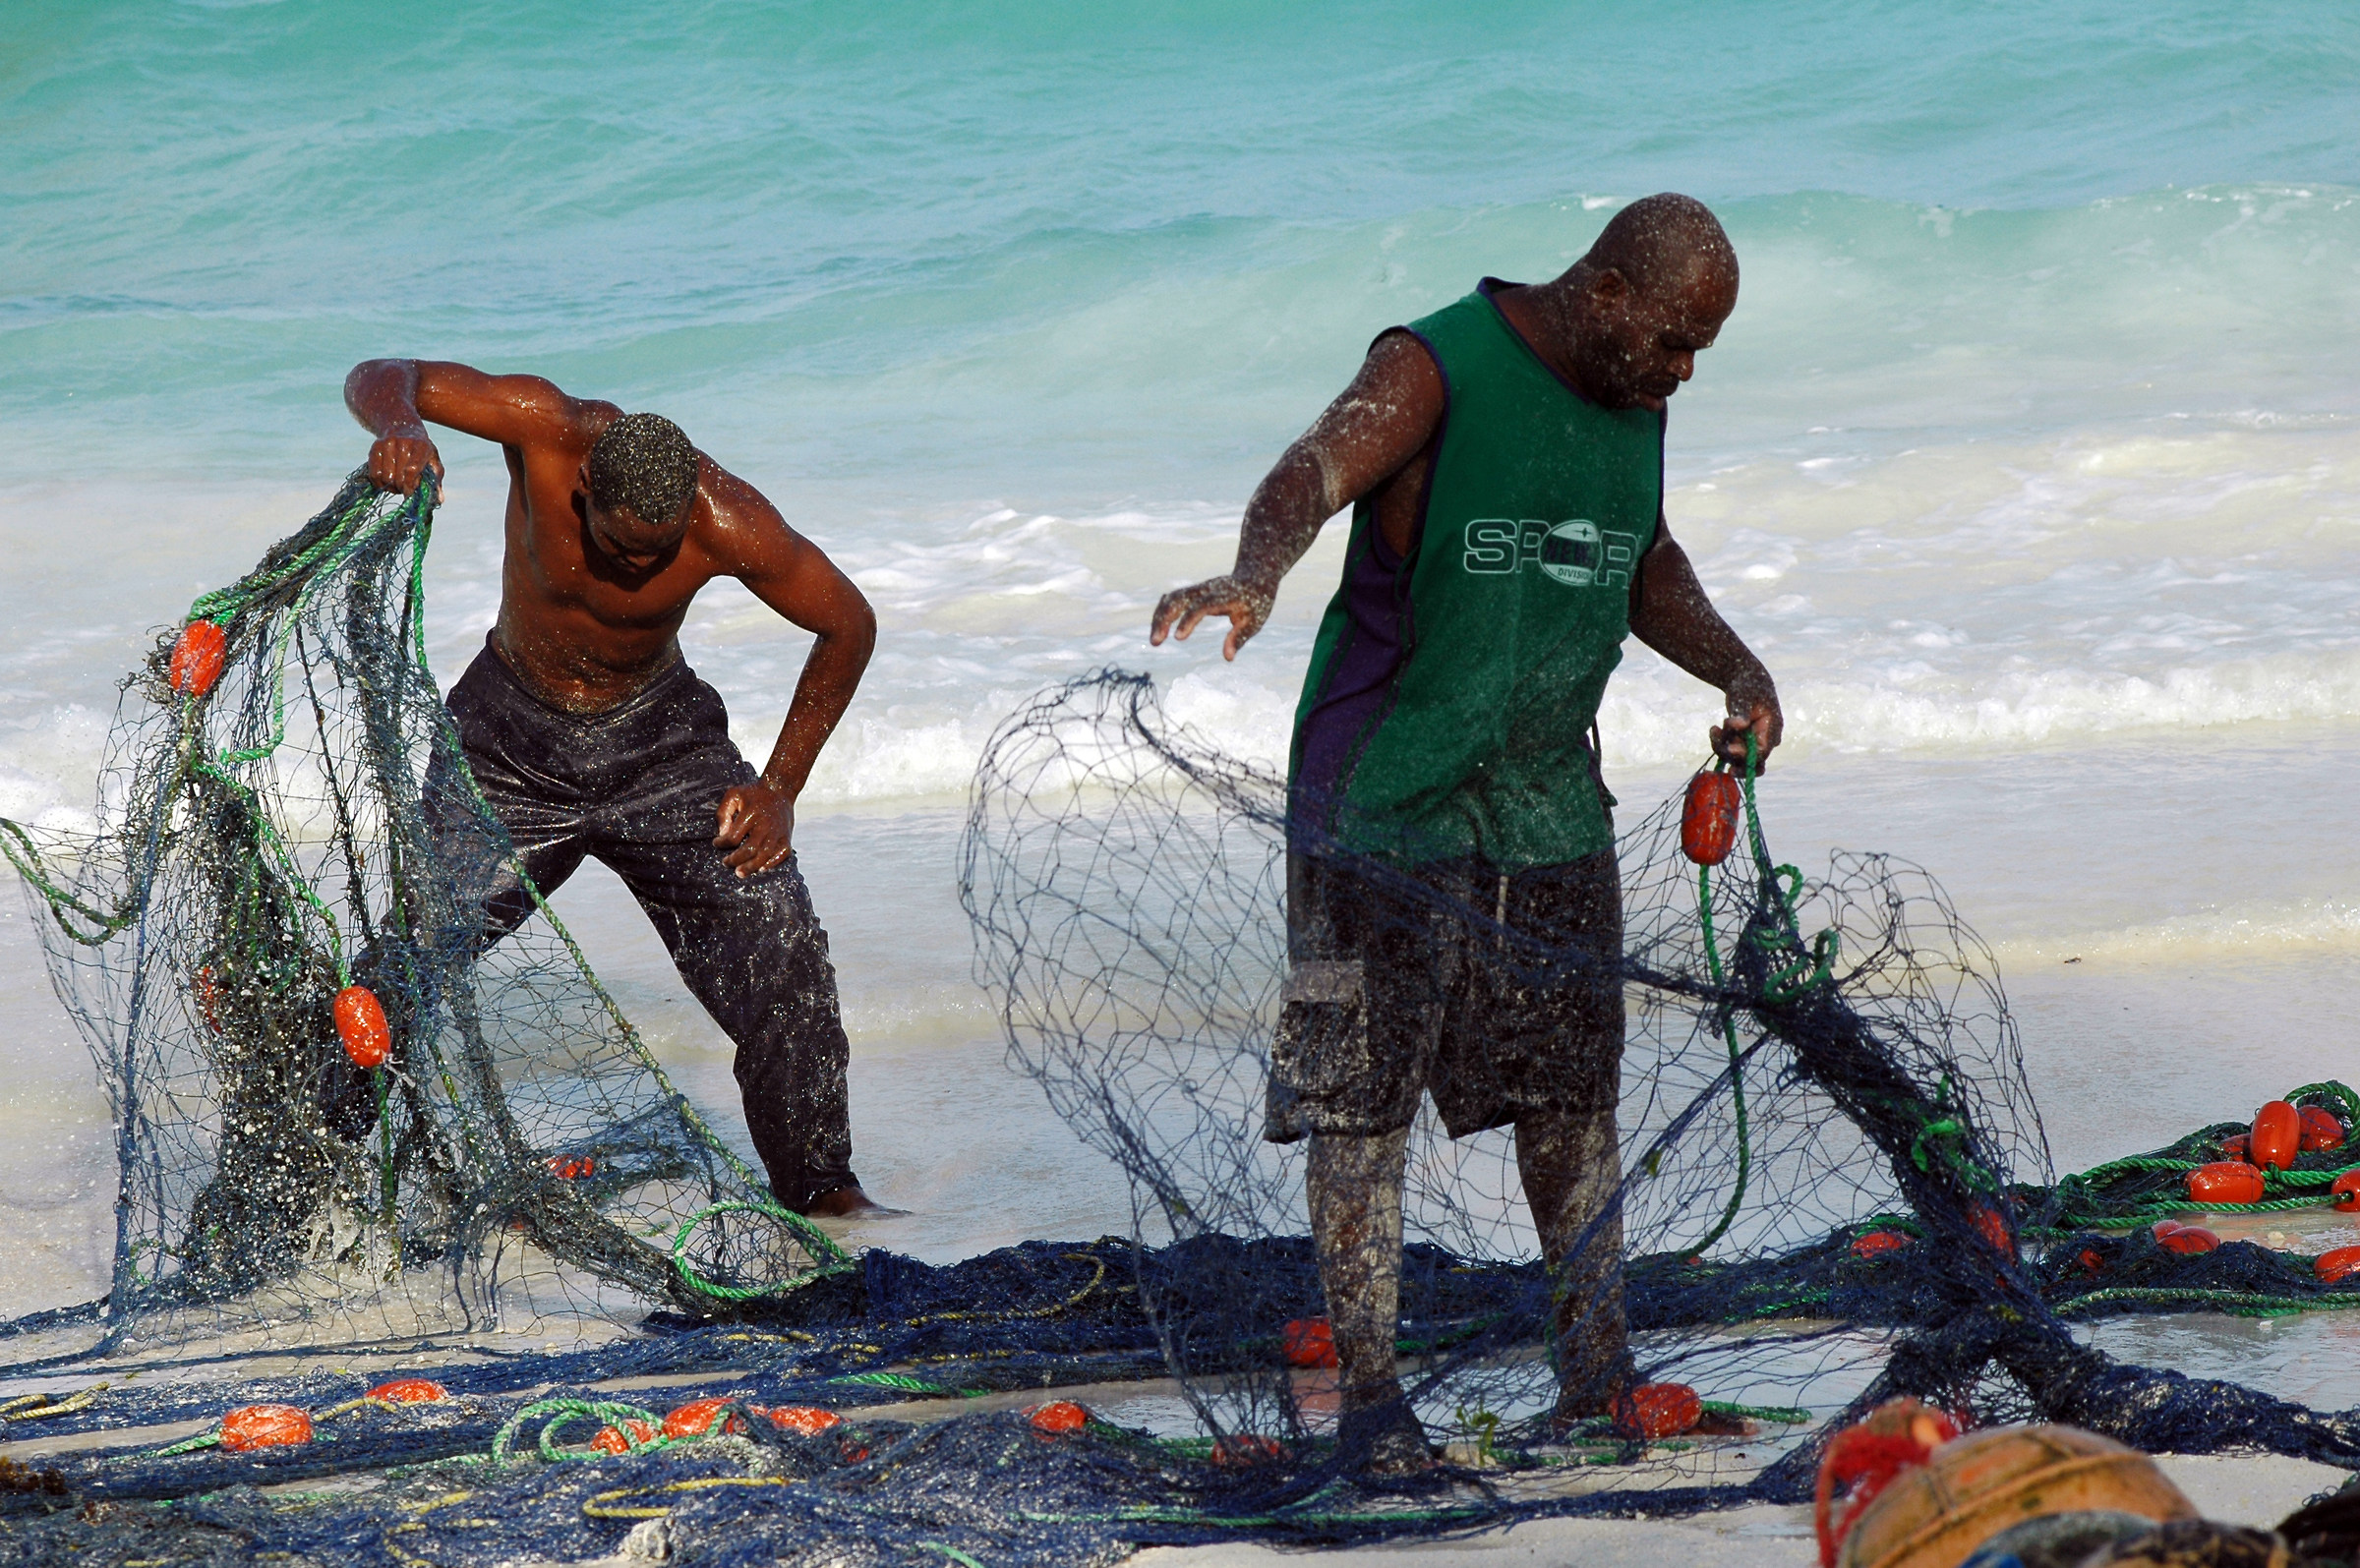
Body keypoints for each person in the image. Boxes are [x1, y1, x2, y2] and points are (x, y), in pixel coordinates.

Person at [1148, 194, 1783, 1469]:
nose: (1684, 371)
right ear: (1604, 291)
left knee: (1572, 1094)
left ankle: (1596, 1374)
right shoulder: (1435, 365)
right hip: (1382, 789)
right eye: (1672, 341)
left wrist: (1736, 669)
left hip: (1545, 797)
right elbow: (1308, 473)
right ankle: (1375, 1402)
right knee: (1359, 1099)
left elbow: (1639, 557)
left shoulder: (1634, 402)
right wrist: (1255, 571)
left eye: (1701, 348)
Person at [345, 359, 889, 1217]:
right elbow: (386, 372)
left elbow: (847, 622)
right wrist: (400, 430)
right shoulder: (545, 429)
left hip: (660, 743)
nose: (637, 568)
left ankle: (821, 1186)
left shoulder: (725, 516)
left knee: (779, 936)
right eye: (618, 544)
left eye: (656, 553)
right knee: (412, 954)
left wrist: (781, 786)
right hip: (508, 742)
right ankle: (303, 1152)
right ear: (587, 483)